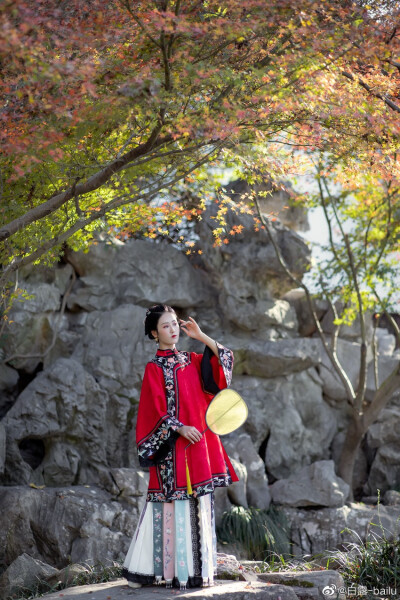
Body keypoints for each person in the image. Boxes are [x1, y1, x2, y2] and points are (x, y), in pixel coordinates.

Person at [122, 304, 238, 590]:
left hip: (199, 446)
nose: (173, 329)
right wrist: (179, 427)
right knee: (171, 506)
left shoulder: (194, 360)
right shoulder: (154, 368)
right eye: (166, 326)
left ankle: (200, 572)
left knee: (200, 504)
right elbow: (154, 412)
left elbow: (224, 365)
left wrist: (202, 336)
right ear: (154, 333)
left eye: (175, 324)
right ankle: (165, 573)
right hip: (173, 450)